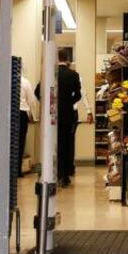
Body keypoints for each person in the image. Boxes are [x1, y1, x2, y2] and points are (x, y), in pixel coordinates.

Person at [56, 49, 81, 187]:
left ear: (57, 58)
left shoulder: (52, 73)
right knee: (66, 144)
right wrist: (68, 102)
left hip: (53, 116)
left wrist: (52, 104)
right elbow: (78, 95)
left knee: (56, 145)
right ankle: (65, 176)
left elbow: (37, 91)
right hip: (67, 115)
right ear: (67, 58)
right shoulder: (73, 75)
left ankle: (56, 174)